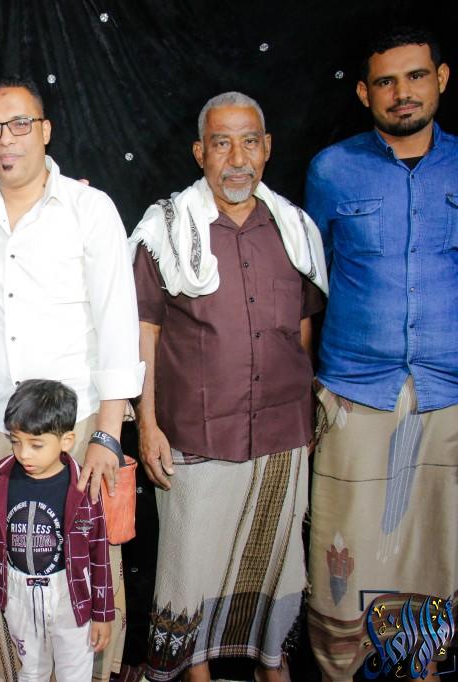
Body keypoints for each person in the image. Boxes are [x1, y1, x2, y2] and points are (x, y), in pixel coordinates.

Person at [0, 77, 144, 681]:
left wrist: (108, 433)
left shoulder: (89, 209)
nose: (6, 139)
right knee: (2, 553)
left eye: (20, 124)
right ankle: (1, 670)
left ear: (44, 132)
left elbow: (117, 320)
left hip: (76, 430)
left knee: (83, 556)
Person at [129, 91, 327, 682]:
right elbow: (144, 330)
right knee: (191, 569)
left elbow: (303, 328)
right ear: (200, 153)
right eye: (222, 143)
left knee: (276, 566)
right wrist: (148, 424)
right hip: (195, 433)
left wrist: (301, 408)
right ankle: (196, 673)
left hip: (281, 434)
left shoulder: (295, 229)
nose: (237, 159)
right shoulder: (164, 229)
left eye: (249, 142)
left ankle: (271, 664)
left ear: (267, 149)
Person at [304, 27, 457, 681]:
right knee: (346, 546)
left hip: (449, 392)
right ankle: (344, 670)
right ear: (365, 93)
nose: (403, 93)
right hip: (356, 390)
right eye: (387, 81)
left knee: (438, 547)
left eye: (416, 76)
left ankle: (425, 667)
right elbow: (310, 282)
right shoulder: (332, 169)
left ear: (440, 79)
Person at [0, 379, 114, 682]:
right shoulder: (0, 478)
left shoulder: (82, 487)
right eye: (16, 441)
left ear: (66, 440)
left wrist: (102, 614)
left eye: (36, 445)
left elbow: (99, 554)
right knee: (32, 672)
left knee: (74, 674)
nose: (24, 454)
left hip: (70, 595)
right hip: (19, 595)